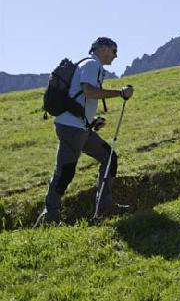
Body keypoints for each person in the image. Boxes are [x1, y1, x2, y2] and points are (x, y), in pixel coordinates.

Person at [38, 37, 134, 224]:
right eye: (114, 51)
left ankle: (105, 206)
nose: (116, 56)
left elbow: (81, 98)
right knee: (64, 171)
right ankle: (49, 217)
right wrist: (119, 93)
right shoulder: (92, 64)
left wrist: (91, 121)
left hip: (80, 127)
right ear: (103, 49)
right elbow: (89, 91)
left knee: (109, 157)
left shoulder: (89, 65)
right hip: (72, 128)